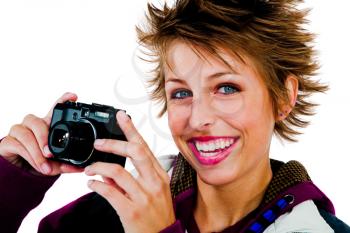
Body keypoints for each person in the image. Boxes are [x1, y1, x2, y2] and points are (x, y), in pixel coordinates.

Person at [0, 0, 349, 232]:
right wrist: (11, 185)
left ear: (284, 97)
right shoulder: (118, 207)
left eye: (227, 88)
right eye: (181, 93)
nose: (198, 119)